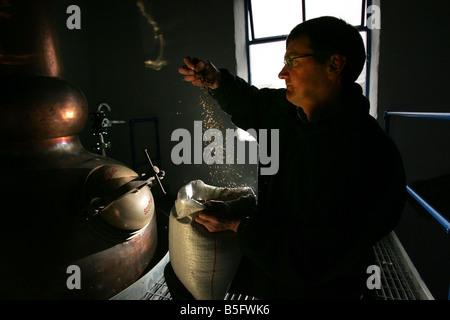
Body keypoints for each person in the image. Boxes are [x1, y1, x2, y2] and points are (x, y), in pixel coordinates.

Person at [164, 16, 406, 300]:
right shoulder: (293, 113)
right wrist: (217, 81)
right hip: (274, 258)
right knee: (177, 273)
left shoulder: (367, 155)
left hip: (315, 287)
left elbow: (311, 260)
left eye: (293, 61)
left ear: (334, 65)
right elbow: (253, 103)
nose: (282, 73)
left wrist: (236, 225)